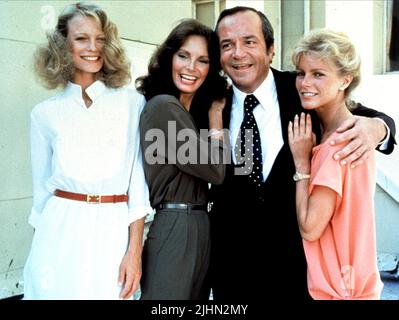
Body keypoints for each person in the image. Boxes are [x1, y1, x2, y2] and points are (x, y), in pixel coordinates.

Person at [206, 6, 396, 300]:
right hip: (233, 275)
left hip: (300, 277)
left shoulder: (303, 89)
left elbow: (357, 113)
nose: (238, 53)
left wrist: (379, 128)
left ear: (271, 49)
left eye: (249, 41)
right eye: (227, 45)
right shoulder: (212, 105)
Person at [23, 2, 151, 299]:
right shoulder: (44, 114)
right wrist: (37, 258)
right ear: (62, 45)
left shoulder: (132, 103)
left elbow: (138, 188)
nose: (93, 47)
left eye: (100, 38)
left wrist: (135, 253)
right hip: (58, 233)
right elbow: (41, 196)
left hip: (112, 231)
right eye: (81, 38)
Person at [288, 29, 384, 300]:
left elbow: (310, 227)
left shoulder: (338, 145)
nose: (305, 82)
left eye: (318, 74)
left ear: (345, 80)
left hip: (339, 292)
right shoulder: (352, 134)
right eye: (300, 72)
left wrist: (301, 162)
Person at [136, 19, 228, 300]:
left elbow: (242, 166)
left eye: (202, 60)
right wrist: (216, 118)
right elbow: (216, 170)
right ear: (169, 57)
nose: (191, 68)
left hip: (199, 222)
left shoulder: (189, 111)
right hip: (176, 223)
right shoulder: (164, 106)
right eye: (183, 56)